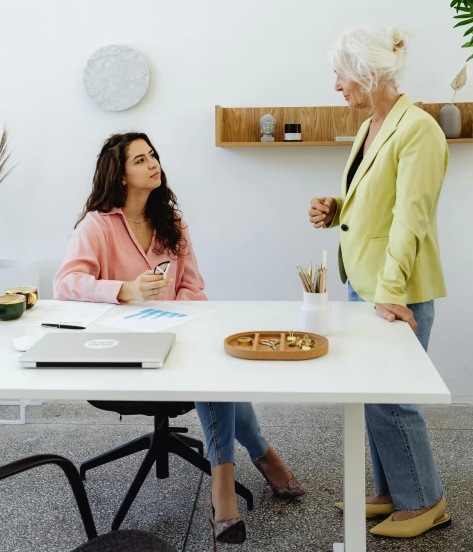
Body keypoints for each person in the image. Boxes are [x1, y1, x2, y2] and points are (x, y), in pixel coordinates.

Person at [54, 132, 304, 547]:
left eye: (152, 155)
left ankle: (223, 489)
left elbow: (193, 286)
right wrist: (125, 290)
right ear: (119, 175)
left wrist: (178, 315)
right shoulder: (96, 225)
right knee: (213, 379)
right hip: (125, 351)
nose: (152, 163)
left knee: (214, 367)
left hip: (176, 340)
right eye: (139, 160)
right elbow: (67, 284)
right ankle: (261, 459)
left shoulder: (173, 221)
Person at [308, 26, 451, 539]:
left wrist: (390, 292)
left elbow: (411, 220)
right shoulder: (375, 123)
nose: (337, 86)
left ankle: (425, 502)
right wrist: (335, 210)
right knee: (373, 395)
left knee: (392, 398)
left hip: (397, 289)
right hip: (366, 284)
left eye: (341, 75)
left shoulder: (418, 129)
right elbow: (378, 203)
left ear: (368, 73)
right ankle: (392, 491)